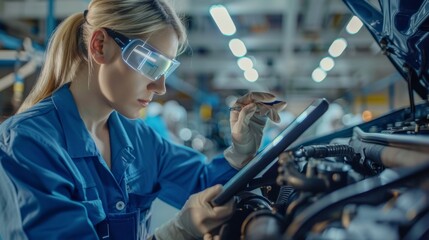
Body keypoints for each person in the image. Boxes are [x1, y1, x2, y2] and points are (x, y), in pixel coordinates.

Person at [0, 0, 286, 239]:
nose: (160, 86)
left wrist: (239, 152)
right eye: (151, 63)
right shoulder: (28, 143)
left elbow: (204, 185)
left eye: (166, 69)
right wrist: (175, 234)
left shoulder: (139, 139)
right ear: (100, 46)